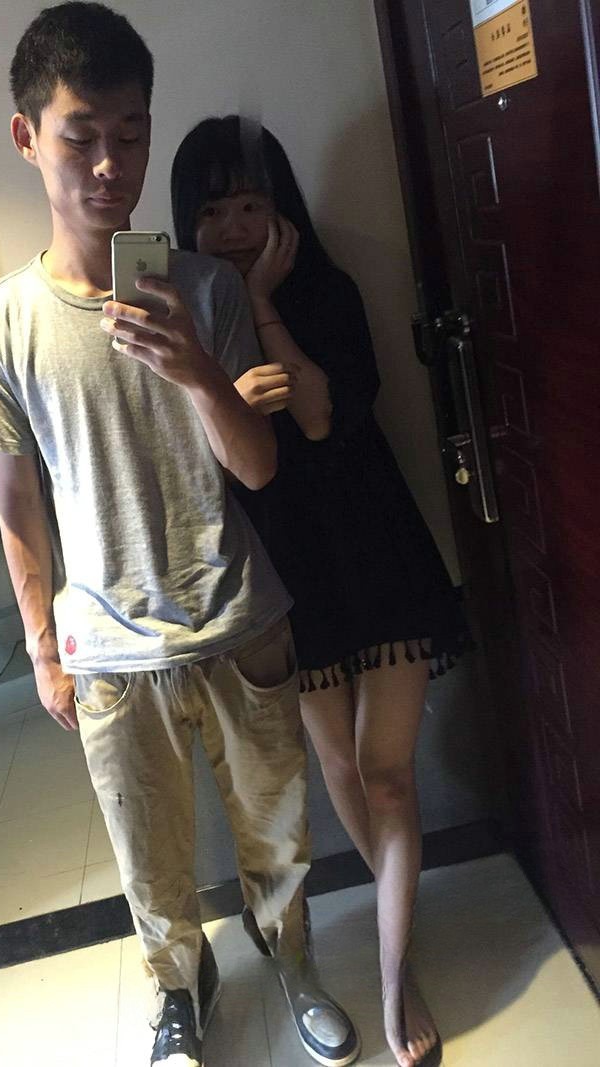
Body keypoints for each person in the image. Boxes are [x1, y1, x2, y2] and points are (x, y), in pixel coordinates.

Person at [0, 8, 360, 1067]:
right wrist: (41, 646)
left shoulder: (208, 287)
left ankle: (293, 958)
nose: (110, 164)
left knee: (277, 830)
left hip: (240, 617)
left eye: (131, 134)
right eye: (81, 135)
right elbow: (16, 501)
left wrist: (193, 367)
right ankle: (179, 991)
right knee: (149, 860)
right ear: (26, 138)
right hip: (106, 646)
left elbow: (257, 466)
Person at [172, 116, 470, 1067]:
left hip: (375, 550)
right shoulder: (187, 318)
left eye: (250, 204)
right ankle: (396, 931)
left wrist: (264, 301)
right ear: (187, 220)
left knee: (387, 774)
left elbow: (317, 413)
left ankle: (391, 973)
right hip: (286, 574)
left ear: (282, 210)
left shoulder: (326, 291)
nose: (233, 227)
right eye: (212, 210)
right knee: (340, 767)